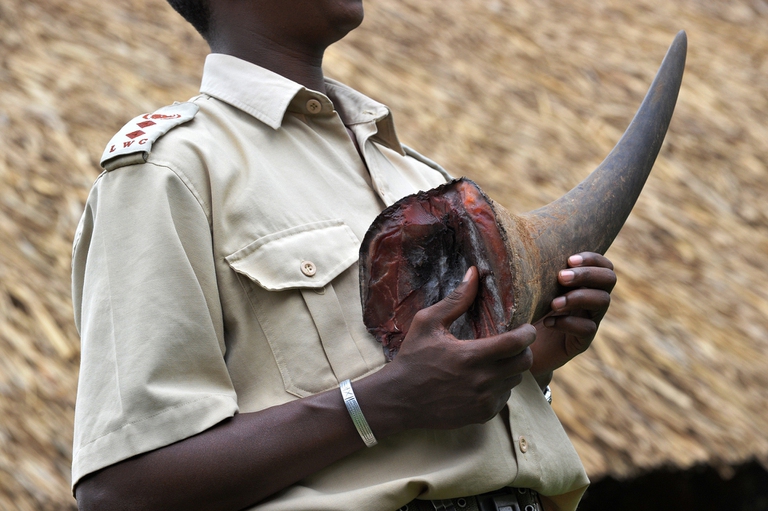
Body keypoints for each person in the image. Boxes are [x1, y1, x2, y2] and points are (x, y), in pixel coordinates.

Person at [70, 1, 616, 510]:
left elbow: (455, 407)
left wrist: (530, 361)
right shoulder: (172, 173)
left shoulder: (418, 174)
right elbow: (122, 489)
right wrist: (383, 403)